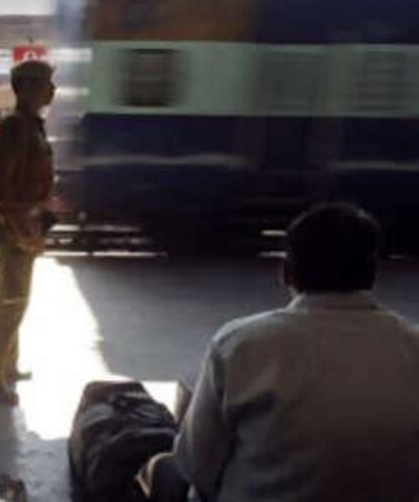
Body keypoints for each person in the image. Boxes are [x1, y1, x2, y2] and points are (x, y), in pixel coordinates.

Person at [173, 203, 419, 501]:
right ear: (372, 274)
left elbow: (195, 466)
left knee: (163, 471)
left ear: (287, 273)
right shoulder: (411, 343)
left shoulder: (240, 344)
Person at [0, 59, 56, 405]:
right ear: (25, 89)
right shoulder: (15, 129)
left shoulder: (31, 126)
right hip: (16, 232)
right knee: (8, 304)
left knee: (15, 302)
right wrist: (19, 225)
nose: (52, 89)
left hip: (27, 228)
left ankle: (7, 366)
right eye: (44, 83)